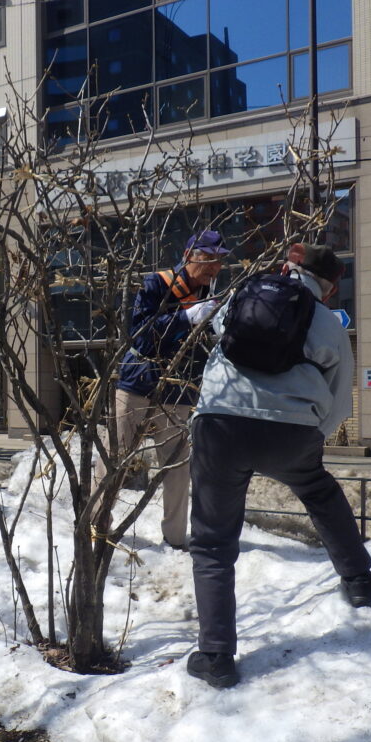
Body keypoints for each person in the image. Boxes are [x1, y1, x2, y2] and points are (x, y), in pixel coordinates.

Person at [186, 243, 371, 689]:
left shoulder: (240, 296)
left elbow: (213, 329)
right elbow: (340, 398)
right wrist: (311, 437)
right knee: (318, 490)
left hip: (219, 427)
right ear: (329, 289)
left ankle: (216, 656)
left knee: (213, 543)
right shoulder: (327, 321)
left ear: (283, 268)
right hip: (290, 433)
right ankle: (358, 580)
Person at [103, 230, 226, 549]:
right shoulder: (157, 283)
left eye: (219, 261)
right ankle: (95, 525)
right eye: (209, 259)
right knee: (114, 459)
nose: (214, 268)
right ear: (190, 256)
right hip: (138, 383)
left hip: (180, 392)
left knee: (177, 468)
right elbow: (141, 337)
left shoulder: (213, 294)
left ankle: (175, 539)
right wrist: (187, 317)